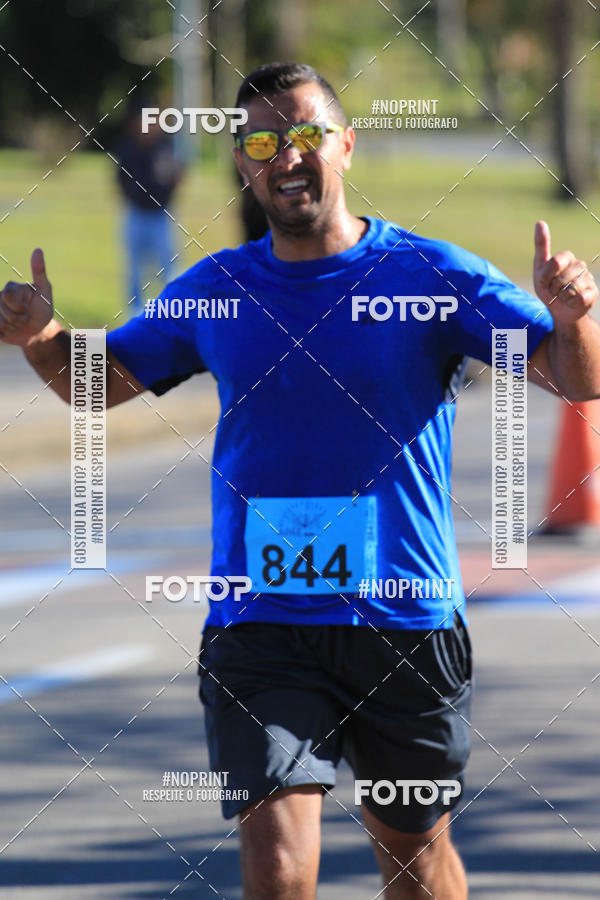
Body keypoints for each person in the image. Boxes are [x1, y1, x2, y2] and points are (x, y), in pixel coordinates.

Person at [2, 62, 600, 899]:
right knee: (278, 868)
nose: (287, 154)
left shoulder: (430, 277)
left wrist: (575, 320)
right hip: (263, 623)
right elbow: (100, 383)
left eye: (308, 134)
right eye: (260, 141)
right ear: (244, 165)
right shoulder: (219, 291)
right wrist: (44, 335)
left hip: (402, 619)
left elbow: (575, 380)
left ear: (345, 146)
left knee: (415, 858)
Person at [113, 98, 184, 314]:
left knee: (170, 269)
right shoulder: (128, 149)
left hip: (162, 216)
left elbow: (176, 176)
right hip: (136, 215)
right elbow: (120, 180)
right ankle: (134, 318)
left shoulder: (167, 147)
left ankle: (172, 315)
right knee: (134, 271)